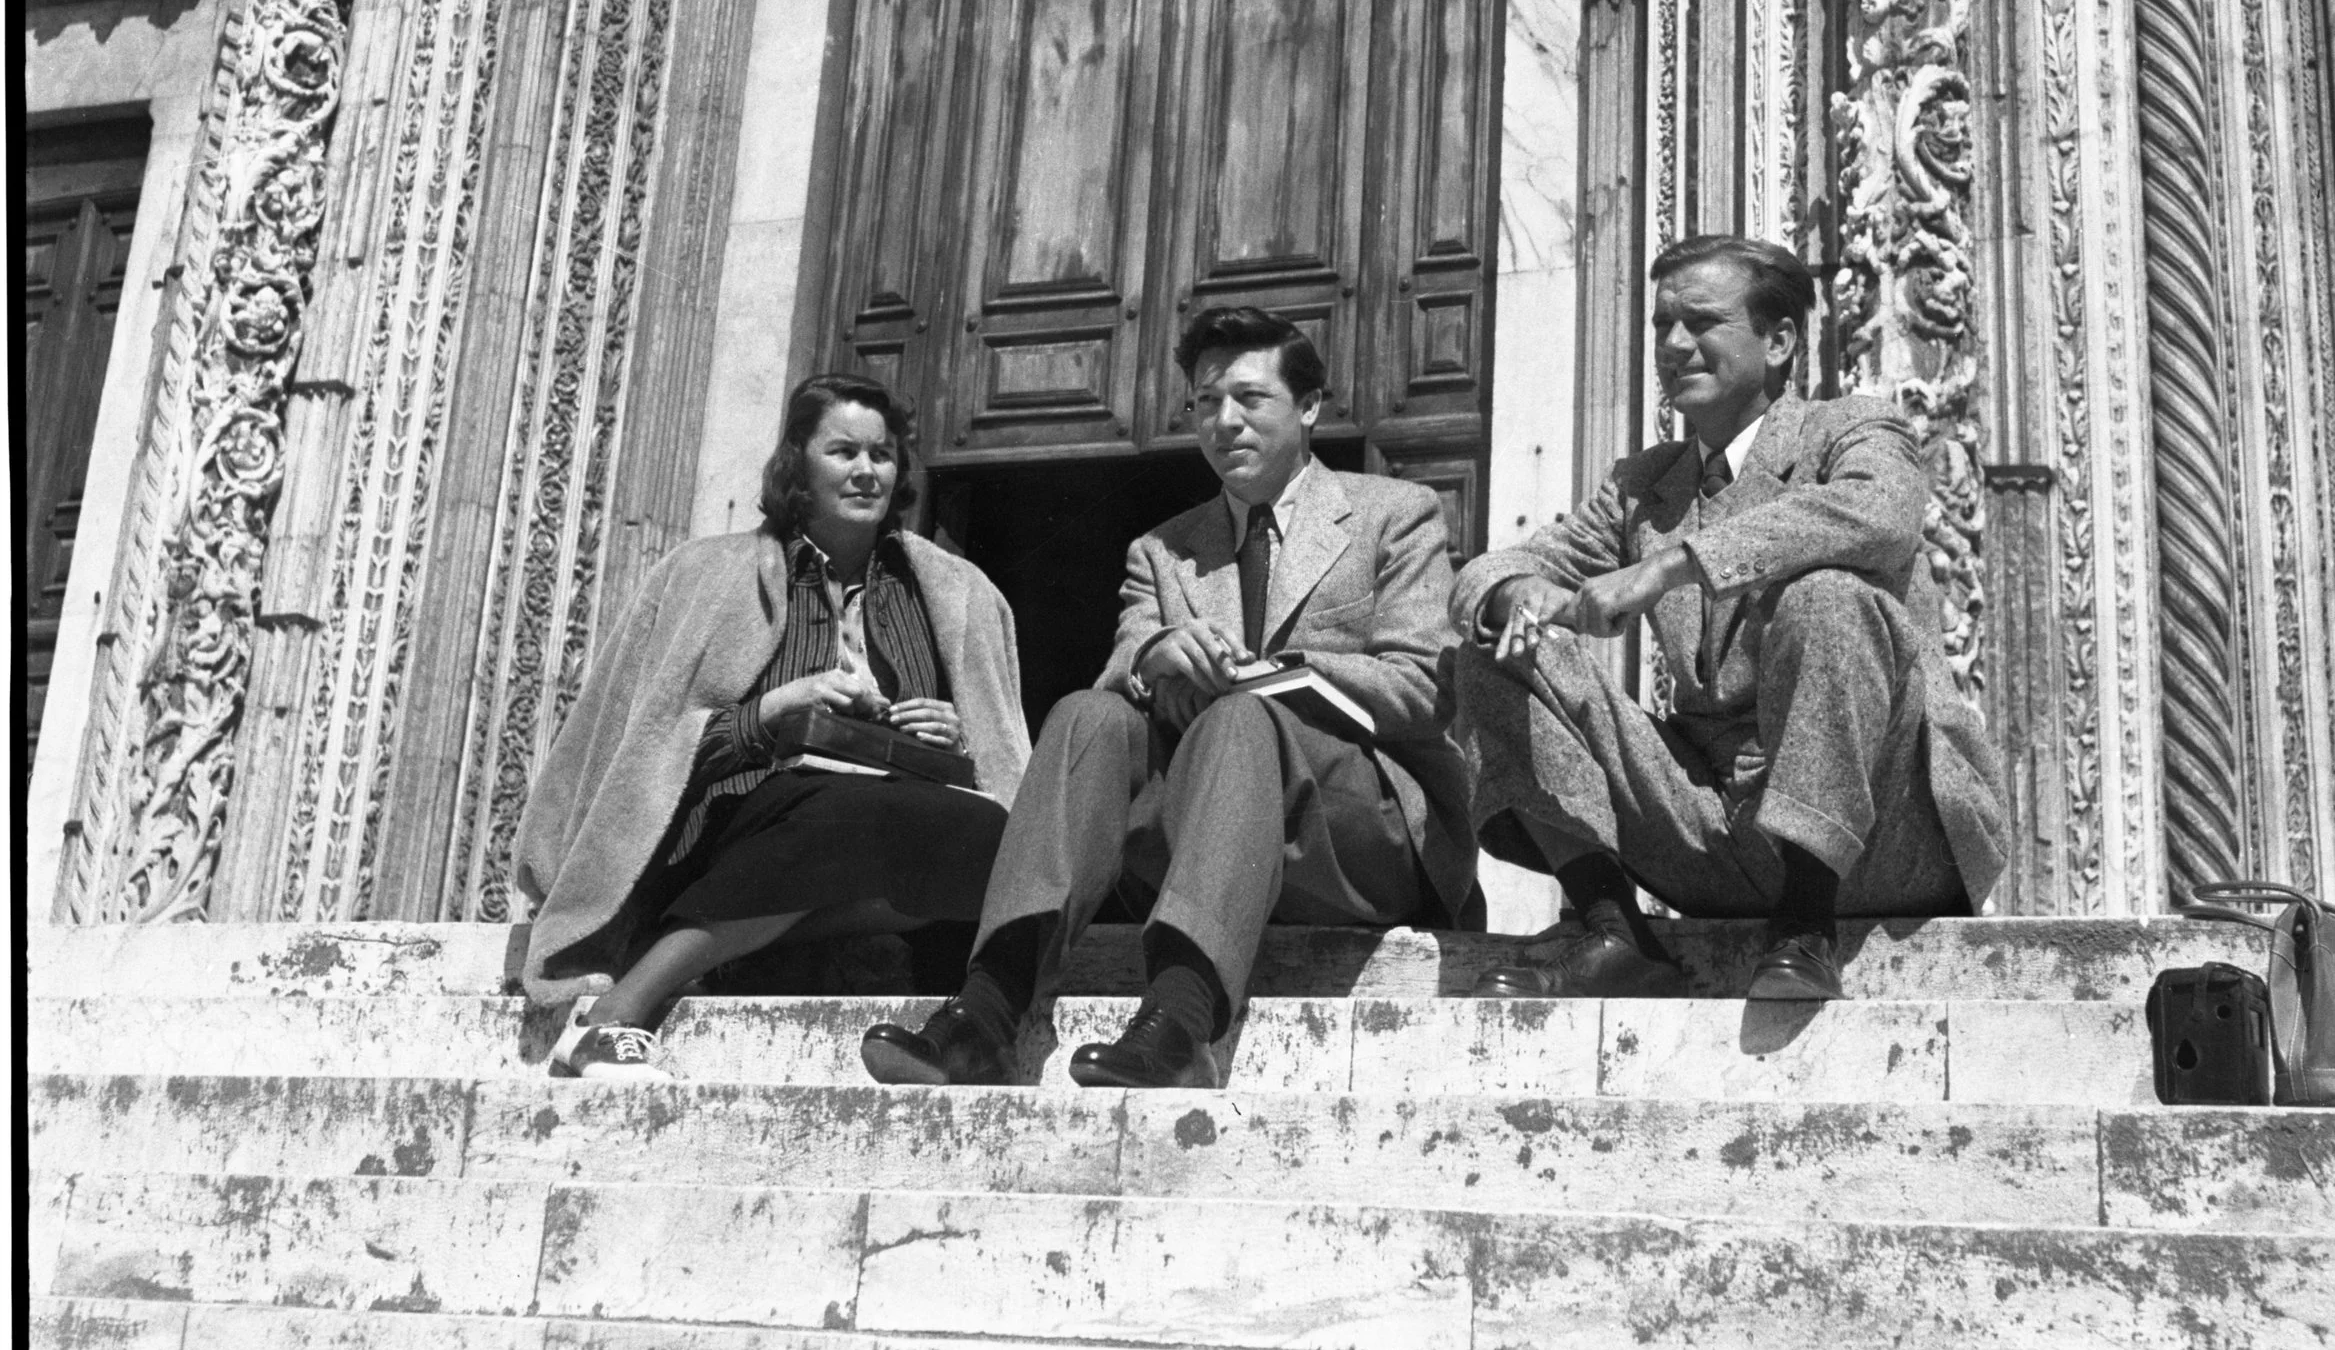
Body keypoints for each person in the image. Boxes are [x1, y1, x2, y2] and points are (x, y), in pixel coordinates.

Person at [862, 308, 1477, 1091]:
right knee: (1087, 714)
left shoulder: (1397, 513)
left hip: (1359, 836)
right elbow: (1122, 671)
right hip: (1206, 829)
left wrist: (1271, 672)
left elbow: (1424, 687)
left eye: (1250, 399)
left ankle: (1183, 1022)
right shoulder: (1162, 549)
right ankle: (987, 1011)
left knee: (1241, 714)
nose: (1224, 423)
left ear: (1311, 406)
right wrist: (1155, 658)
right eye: (1206, 402)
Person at [1446, 235, 2007, 1002]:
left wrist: (1670, 566)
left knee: (1829, 598)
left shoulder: (1851, 430)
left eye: (1702, 322)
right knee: (1494, 646)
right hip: (1715, 832)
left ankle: (1806, 934)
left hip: (1885, 841)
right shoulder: (1646, 484)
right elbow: (1490, 570)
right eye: (1660, 325)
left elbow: (1881, 518)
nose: (1674, 345)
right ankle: (1614, 931)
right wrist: (1520, 600)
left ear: (1779, 341)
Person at [513, 374, 1031, 1075]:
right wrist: (776, 711)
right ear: (797, 463)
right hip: (732, 828)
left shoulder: (949, 592)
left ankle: (736, 942)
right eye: (842, 451)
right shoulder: (704, 577)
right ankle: (615, 1015)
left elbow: (999, 761)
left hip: (890, 827)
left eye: (881, 455)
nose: (865, 471)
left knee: (991, 840)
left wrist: (957, 734)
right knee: (845, 811)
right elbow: (651, 758)